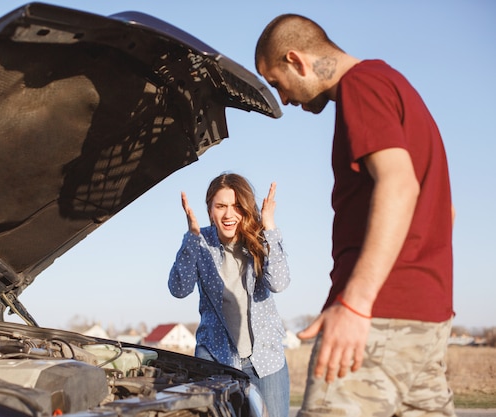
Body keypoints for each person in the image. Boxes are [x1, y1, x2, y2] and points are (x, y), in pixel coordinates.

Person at [255, 14, 456, 417]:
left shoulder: (361, 86)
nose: (284, 100)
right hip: (426, 320)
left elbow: (399, 186)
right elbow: (445, 212)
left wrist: (356, 303)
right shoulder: (393, 86)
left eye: (277, 83)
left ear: (297, 60)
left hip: (377, 317)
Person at [168, 172, 291, 417]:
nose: (228, 214)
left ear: (245, 209)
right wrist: (191, 238)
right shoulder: (200, 242)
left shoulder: (258, 239)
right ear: (210, 209)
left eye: (236, 206)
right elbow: (179, 289)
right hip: (216, 361)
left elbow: (278, 283)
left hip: (266, 361)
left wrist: (269, 226)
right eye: (221, 206)